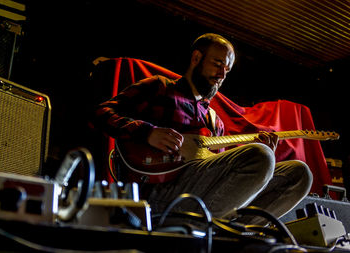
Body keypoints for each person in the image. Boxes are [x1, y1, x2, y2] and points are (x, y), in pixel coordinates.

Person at [92, 33, 313, 224]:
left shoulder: (215, 121)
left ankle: (229, 230)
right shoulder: (160, 87)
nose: (222, 74)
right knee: (260, 156)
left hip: (202, 194)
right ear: (196, 58)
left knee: (299, 173)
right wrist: (147, 132)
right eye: (217, 64)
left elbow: (221, 175)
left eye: (227, 69)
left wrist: (265, 165)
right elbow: (102, 112)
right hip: (160, 193)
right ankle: (205, 227)